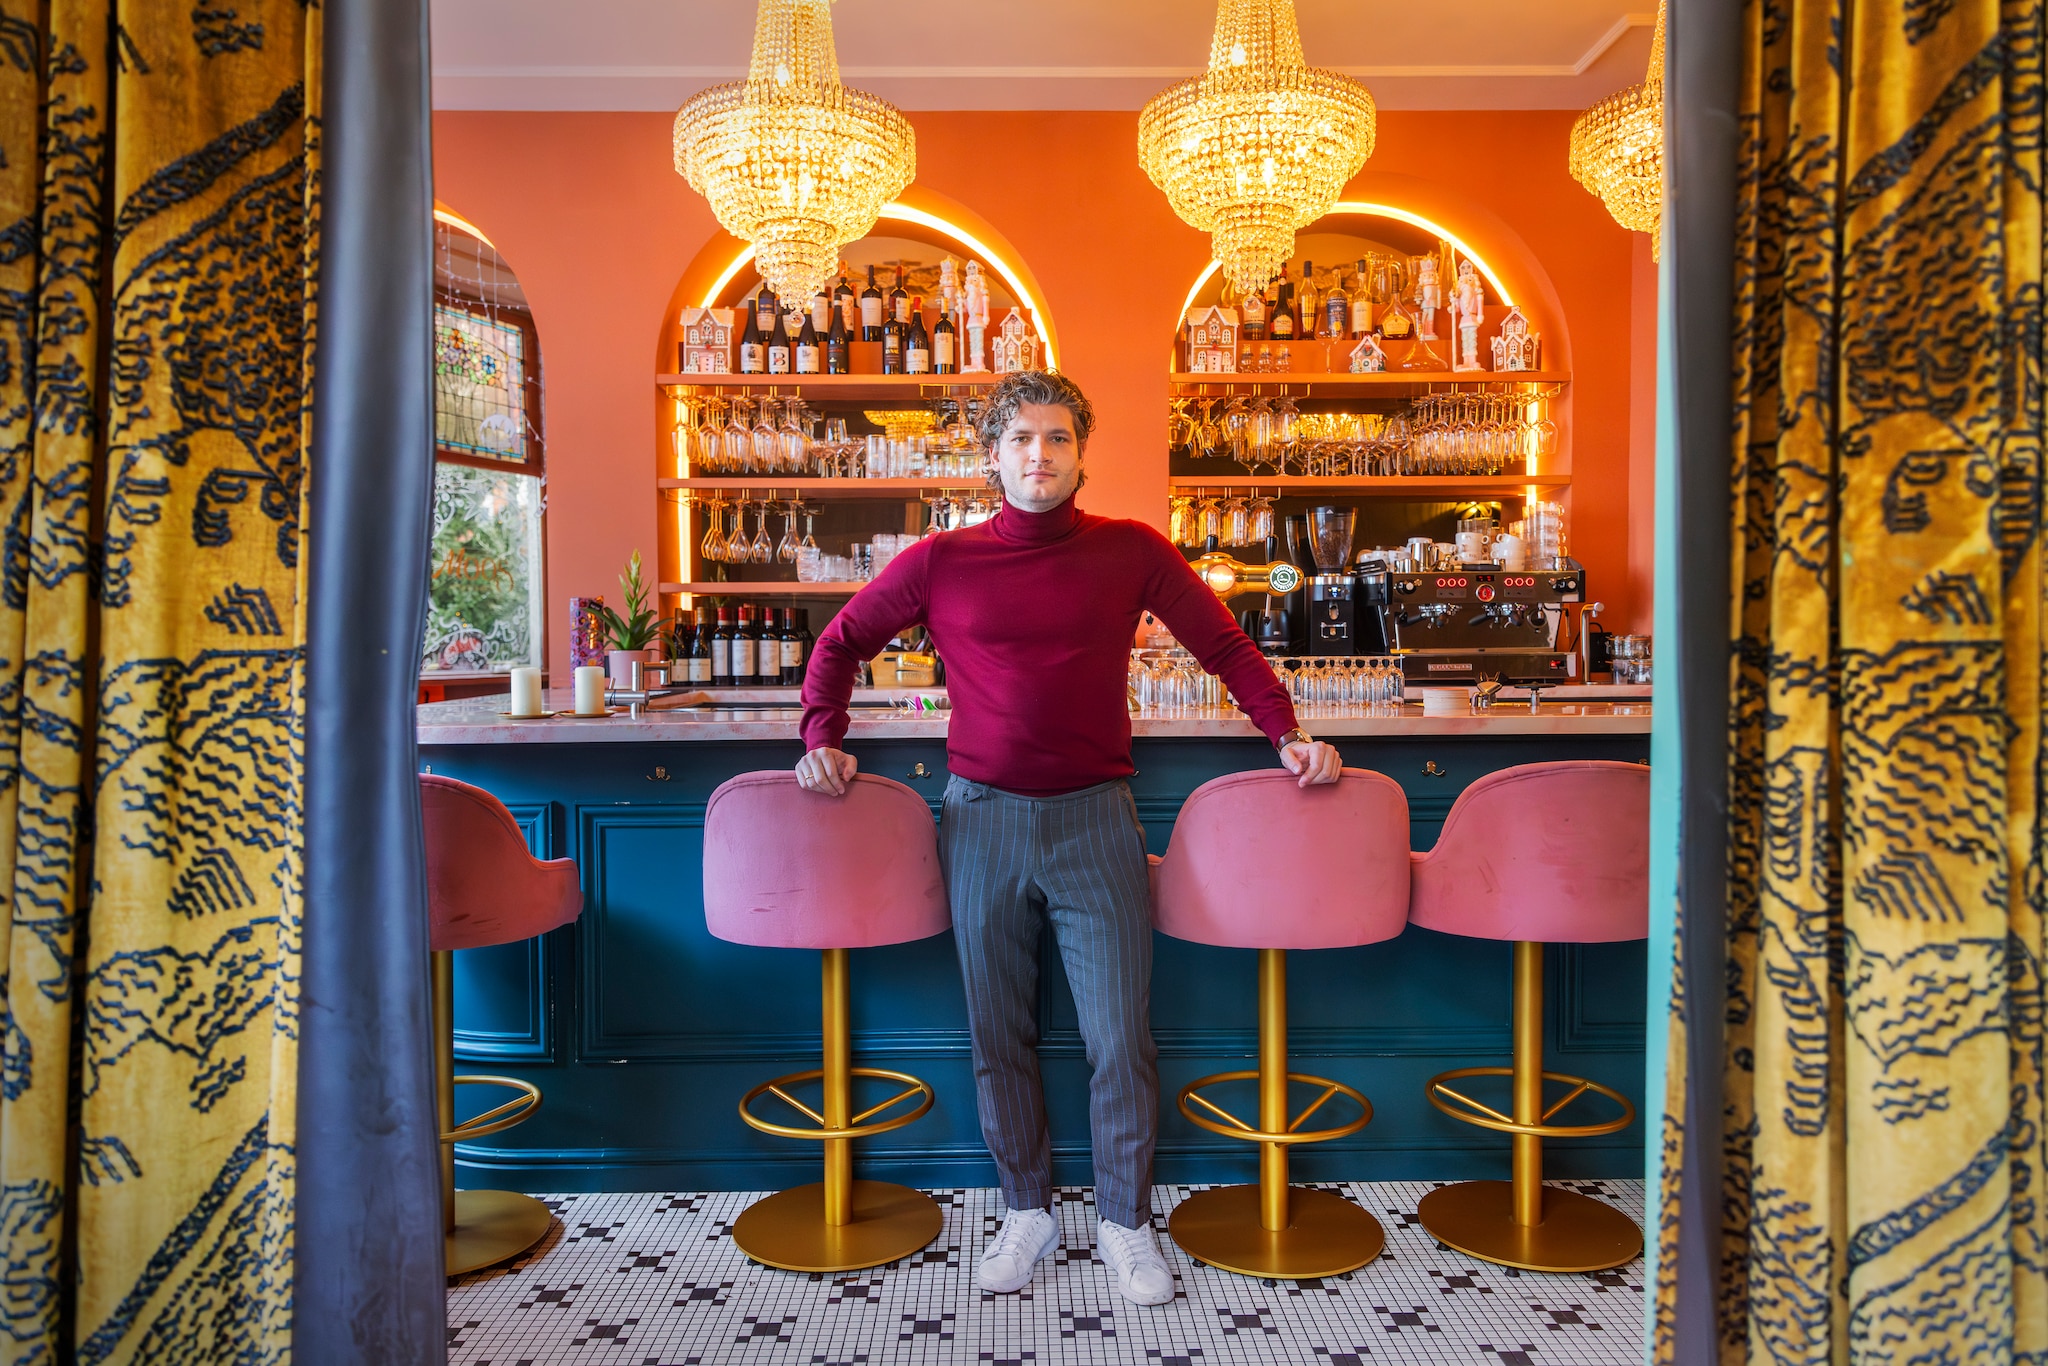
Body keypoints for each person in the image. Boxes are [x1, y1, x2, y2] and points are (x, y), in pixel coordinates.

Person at [795, 370, 1340, 1306]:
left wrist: (1287, 732)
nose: (1038, 456)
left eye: (1056, 439)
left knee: (1119, 1036)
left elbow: (1225, 646)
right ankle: (1027, 1211)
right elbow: (838, 642)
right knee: (997, 1036)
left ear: (1081, 455)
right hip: (980, 822)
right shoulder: (939, 560)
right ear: (992, 455)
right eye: (1020, 439)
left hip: (1097, 821)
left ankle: (1127, 1223)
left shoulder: (1129, 550)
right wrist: (823, 738)